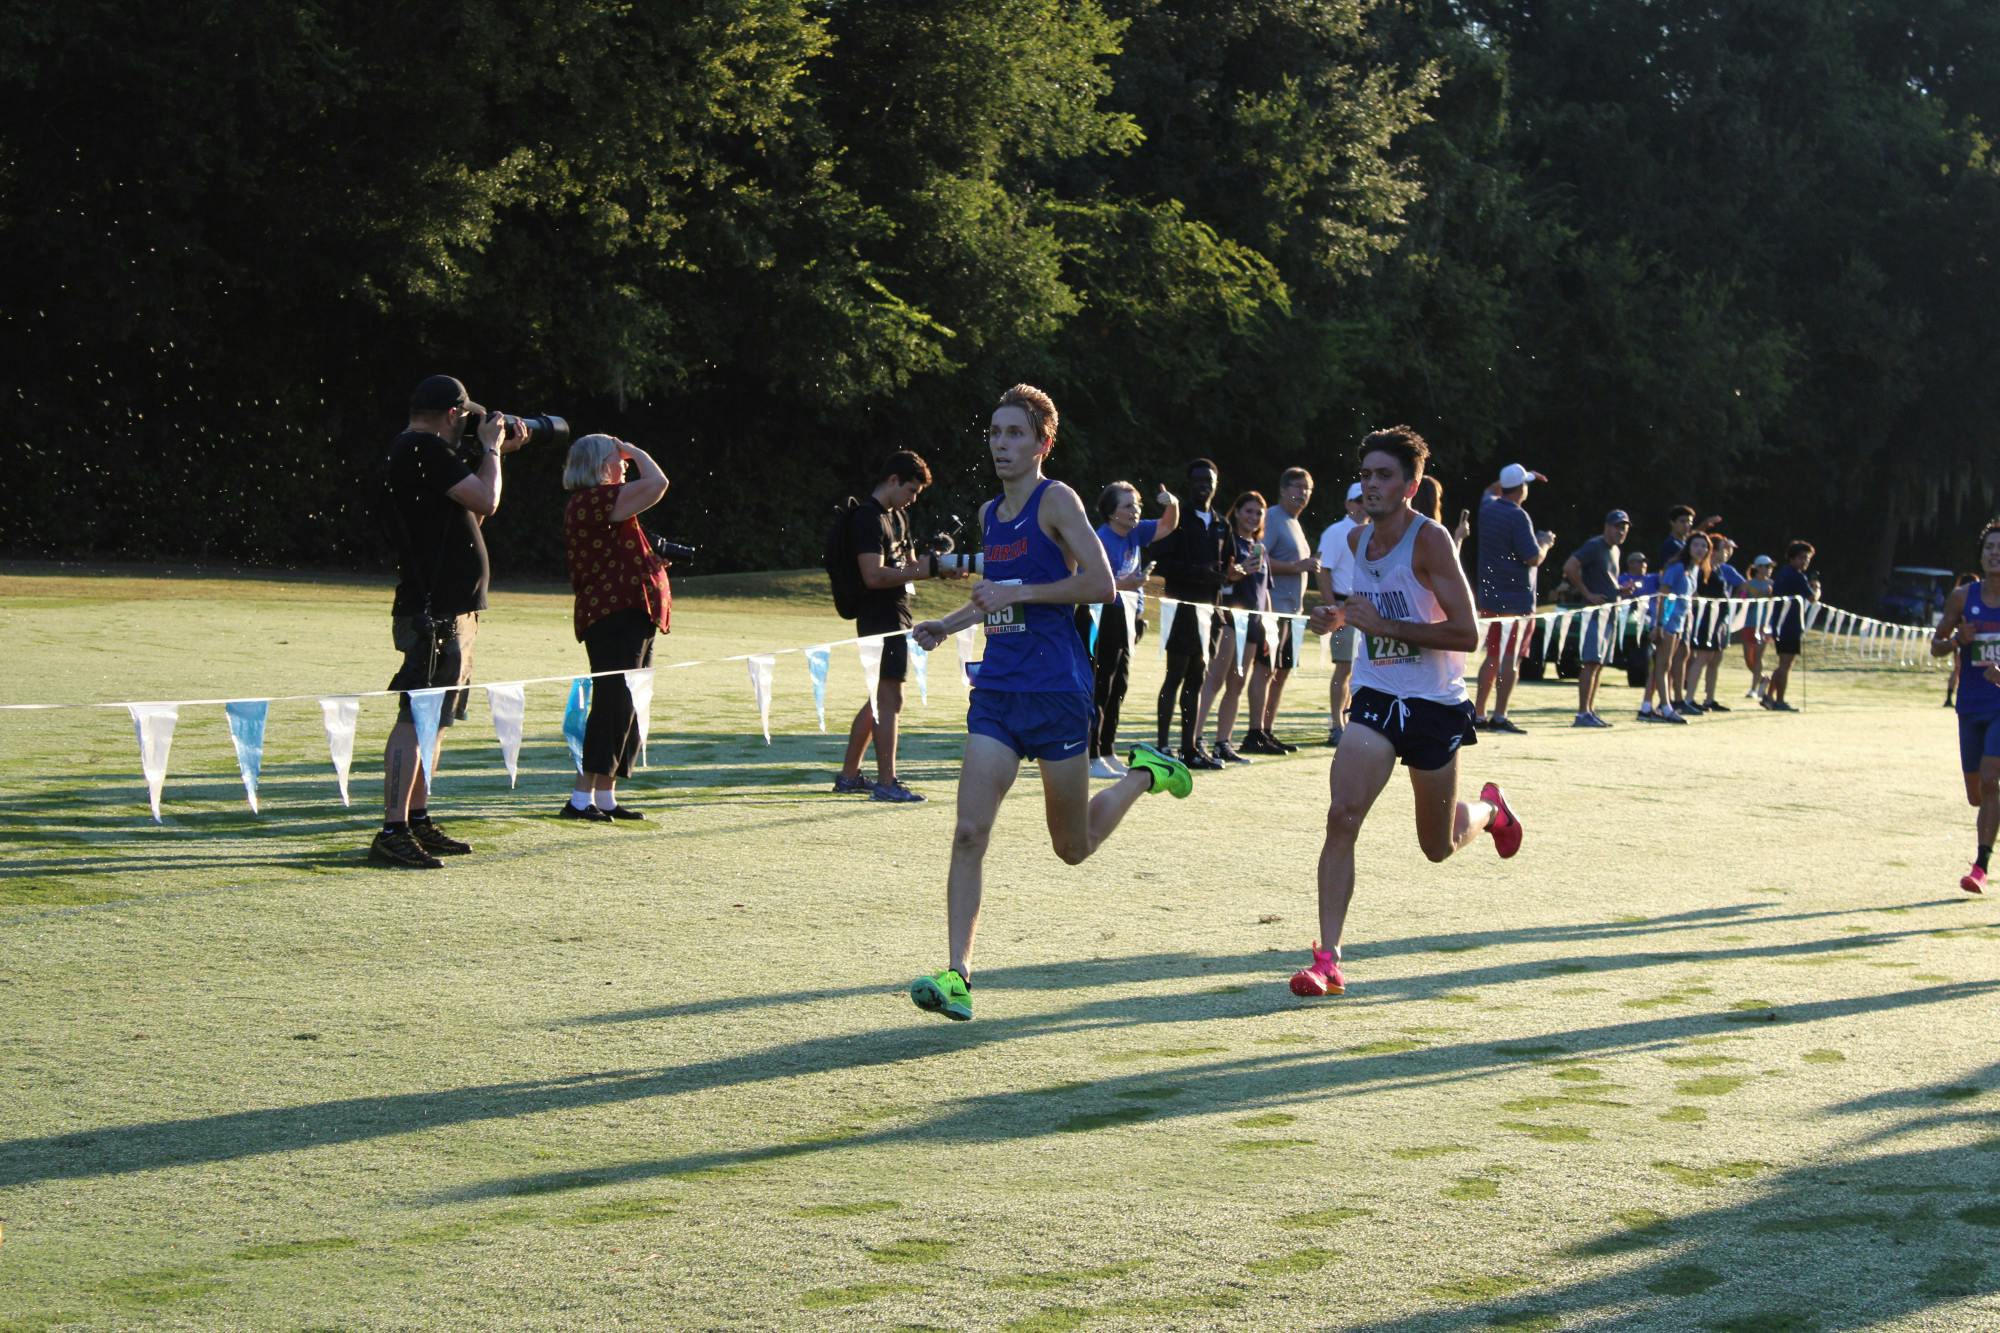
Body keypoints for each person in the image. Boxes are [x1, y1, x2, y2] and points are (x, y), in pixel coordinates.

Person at [908, 385, 1194, 1021]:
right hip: (999, 693)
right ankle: (958, 975)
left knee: (1073, 847)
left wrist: (1020, 591)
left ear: (1043, 442)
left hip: (1059, 692)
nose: (1002, 444)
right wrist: (946, 626)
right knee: (967, 832)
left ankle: (1147, 773)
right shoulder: (989, 513)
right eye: (994, 432)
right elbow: (998, 596)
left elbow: (1100, 586)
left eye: (1015, 433)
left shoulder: (1056, 499)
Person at [1291, 426, 1521, 999]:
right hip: (1374, 697)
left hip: (1434, 706)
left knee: (1437, 846)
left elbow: (1467, 633)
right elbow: (1360, 608)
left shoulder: (1430, 541)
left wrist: (1386, 626)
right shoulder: (1353, 540)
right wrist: (1335, 618)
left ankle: (1489, 812)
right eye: (1365, 474)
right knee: (1341, 815)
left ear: (1411, 485)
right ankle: (1327, 960)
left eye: (1383, 475)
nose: (1370, 484)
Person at [372, 374, 529, 869]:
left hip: (450, 604)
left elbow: (470, 516)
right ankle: (392, 828)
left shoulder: (419, 453)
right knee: (414, 716)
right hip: (433, 607)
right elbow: (489, 501)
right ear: (454, 415)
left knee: (434, 719)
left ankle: (416, 819)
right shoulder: (423, 450)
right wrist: (493, 452)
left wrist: (490, 457)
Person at [833, 451, 963, 802]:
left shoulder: (898, 517)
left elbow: (908, 566)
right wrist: (928, 570)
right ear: (892, 480)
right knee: (891, 698)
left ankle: (849, 776)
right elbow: (873, 576)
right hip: (877, 616)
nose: (913, 498)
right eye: (911, 490)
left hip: (897, 612)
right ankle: (887, 783)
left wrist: (942, 565)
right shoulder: (867, 519)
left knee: (880, 698)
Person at [560, 434, 671, 821]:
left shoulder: (602, 503)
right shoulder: (593, 499)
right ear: (597, 465)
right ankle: (579, 799)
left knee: (626, 704)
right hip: (613, 615)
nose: (624, 464)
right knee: (612, 703)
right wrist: (637, 449)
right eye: (617, 458)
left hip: (630, 613)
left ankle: (604, 796)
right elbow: (658, 484)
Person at [1083, 481, 1180, 778]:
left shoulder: (1136, 532)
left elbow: (1168, 525)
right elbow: (1092, 584)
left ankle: (1108, 750)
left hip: (1127, 619)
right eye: (1128, 505)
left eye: (1137, 504)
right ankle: (1091, 754)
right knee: (1101, 688)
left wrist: (1172, 503)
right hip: (1103, 617)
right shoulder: (1099, 539)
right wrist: (1128, 584)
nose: (1135, 510)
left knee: (1119, 687)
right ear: (1112, 512)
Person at [1150, 458, 1231, 769]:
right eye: (1197, 480)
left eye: (1208, 480)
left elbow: (1228, 564)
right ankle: (1162, 746)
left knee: (1197, 679)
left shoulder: (1221, 523)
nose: (1203, 486)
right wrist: (1200, 572)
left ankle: (1190, 748)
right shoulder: (1177, 519)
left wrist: (1232, 572)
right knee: (1175, 676)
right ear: (1189, 483)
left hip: (1210, 611)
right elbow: (1162, 564)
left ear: (1216, 483)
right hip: (1181, 608)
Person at [1932, 523, 2000, 894]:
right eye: (1990, 547)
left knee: (1991, 779)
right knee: (1978, 793)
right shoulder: (1962, 597)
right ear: (1981, 553)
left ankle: (1980, 867)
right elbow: (1936, 645)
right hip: (1970, 706)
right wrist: (1959, 639)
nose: (1995, 553)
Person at [1472, 463, 1556, 733]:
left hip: (1491, 596)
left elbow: (1490, 488)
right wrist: (1545, 542)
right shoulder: (1518, 516)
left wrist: (1520, 475)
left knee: (1492, 656)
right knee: (1511, 659)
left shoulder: (1487, 507)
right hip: (1517, 601)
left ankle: (1480, 713)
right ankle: (1499, 715)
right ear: (1521, 489)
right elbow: (1532, 557)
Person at [1244, 468, 1319, 754]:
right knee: (1264, 670)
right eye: (1298, 487)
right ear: (1284, 489)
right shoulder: (1273, 517)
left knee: (1280, 672)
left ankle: (1267, 730)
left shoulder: (1295, 523)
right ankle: (1254, 732)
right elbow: (1257, 558)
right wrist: (1297, 567)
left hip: (1293, 612)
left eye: (1308, 489)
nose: (1303, 493)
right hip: (1273, 610)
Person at [1195, 491, 1272, 764]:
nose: (1253, 517)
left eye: (1258, 513)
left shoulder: (1260, 547)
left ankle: (1223, 743)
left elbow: (1265, 592)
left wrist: (1268, 628)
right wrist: (1238, 570)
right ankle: (1194, 739)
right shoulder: (1229, 541)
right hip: (1228, 618)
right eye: (1248, 511)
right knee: (1215, 679)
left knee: (1237, 684)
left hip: (1253, 623)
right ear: (1237, 512)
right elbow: (1224, 577)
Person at [1560, 509, 1630, 727]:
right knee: (1590, 662)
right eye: (1617, 526)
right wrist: (1587, 593)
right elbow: (1570, 566)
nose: (1621, 531)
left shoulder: (1615, 550)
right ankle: (1582, 713)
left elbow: (1607, 580)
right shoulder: (1595, 545)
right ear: (1607, 526)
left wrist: (1620, 590)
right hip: (1595, 613)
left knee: (1599, 664)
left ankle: (1590, 711)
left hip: (1611, 611)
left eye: (1624, 527)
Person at [1315, 482, 1369, 746]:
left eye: (1365, 500)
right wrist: (1332, 609)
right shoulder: (1337, 532)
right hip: (1343, 605)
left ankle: (1346, 721)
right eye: (1357, 500)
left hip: (1362, 608)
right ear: (1348, 504)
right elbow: (1322, 570)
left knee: (1357, 669)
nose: (1362, 505)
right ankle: (1337, 724)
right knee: (1344, 668)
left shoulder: (1372, 531)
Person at [1641, 533, 1706, 724]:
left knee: (1661, 665)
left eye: (1704, 546)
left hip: (1679, 623)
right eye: (1696, 545)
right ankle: (1666, 708)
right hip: (1666, 622)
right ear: (1688, 547)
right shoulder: (1677, 567)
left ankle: (1646, 707)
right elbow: (1663, 596)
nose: (1700, 549)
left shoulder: (1693, 570)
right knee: (1663, 665)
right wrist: (1659, 624)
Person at [1764, 540, 1818, 712]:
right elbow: (1812, 598)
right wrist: (1817, 589)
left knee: (1783, 664)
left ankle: (1768, 696)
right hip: (1789, 626)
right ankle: (1779, 700)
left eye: (1807, 558)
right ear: (1792, 558)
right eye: (1802, 558)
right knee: (1785, 665)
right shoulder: (1796, 575)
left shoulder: (1784, 573)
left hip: (1781, 625)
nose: (1805, 562)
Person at [1684, 535, 1733, 714]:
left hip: (1719, 620)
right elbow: (1695, 592)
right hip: (1706, 618)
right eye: (1723, 549)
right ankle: (1688, 698)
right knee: (1703, 657)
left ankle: (1709, 699)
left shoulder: (1718, 569)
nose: (1727, 553)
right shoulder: (1702, 568)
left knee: (1715, 659)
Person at [1739, 554, 1776, 699]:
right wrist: (1753, 598)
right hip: (1749, 624)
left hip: (1764, 625)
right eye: (1767, 566)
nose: (1769, 569)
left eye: (1770, 567)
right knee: (1749, 660)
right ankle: (1763, 679)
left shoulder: (1773, 585)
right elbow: (1741, 599)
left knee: (1759, 657)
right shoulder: (1747, 584)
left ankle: (1753, 689)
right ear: (1758, 568)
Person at [1947, 572, 1980, 707]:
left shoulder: (1958, 600)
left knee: (1958, 668)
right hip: (1965, 640)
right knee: (1960, 668)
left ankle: (1949, 697)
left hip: (1961, 639)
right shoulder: (1965, 602)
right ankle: (1951, 697)